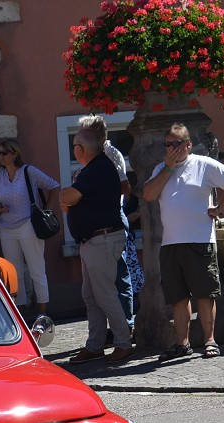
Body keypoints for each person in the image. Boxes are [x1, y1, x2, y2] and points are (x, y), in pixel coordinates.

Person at [143, 122, 224, 361]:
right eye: (167, 144)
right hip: (171, 243)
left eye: (176, 144)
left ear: (188, 144)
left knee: (205, 294)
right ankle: (182, 343)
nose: (171, 149)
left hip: (199, 240)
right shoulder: (161, 168)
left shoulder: (203, 164)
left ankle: (210, 341)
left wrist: (220, 208)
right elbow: (148, 194)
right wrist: (167, 168)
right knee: (177, 296)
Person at [61, 128, 134, 365]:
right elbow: (73, 199)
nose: (73, 150)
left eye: (74, 146)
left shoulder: (97, 169)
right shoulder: (96, 168)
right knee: (92, 296)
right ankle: (95, 345)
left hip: (101, 240)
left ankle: (123, 343)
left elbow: (69, 197)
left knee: (104, 295)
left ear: (81, 149)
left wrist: (67, 197)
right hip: (93, 240)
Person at [78, 115, 139, 335]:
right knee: (96, 287)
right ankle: (106, 332)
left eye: (84, 133)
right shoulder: (92, 156)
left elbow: (124, 186)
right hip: (95, 222)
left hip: (113, 217)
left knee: (118, 277)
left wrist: (92, 191)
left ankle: (125, 328)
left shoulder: (110, 154)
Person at [0, 138, 60, 314]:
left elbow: (54, 186)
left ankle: (42, 313)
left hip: (28, 224)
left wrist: (46, 210)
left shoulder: (29, 172)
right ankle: (20, 312)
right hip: (7, 227)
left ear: (15, 154)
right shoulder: (0, 177)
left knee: (36, 270)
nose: (0, 157)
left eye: (4, 153)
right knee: (15, 273)